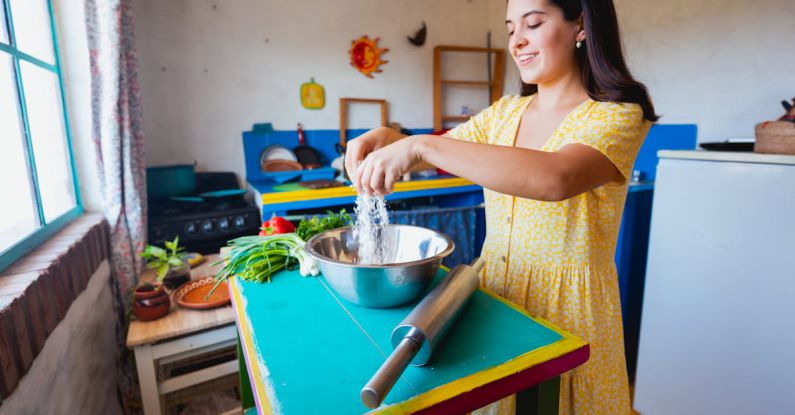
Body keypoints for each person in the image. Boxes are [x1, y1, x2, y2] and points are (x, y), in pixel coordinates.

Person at [345, 0, 657, 413]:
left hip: (568, 309)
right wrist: (393, 136)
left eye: (532, 23)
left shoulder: (616, 113)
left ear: (581, 25)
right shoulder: (505, 112)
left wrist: (420, 145)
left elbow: (555, 177)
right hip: (494, 292)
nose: (517, 41)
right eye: (511, 28)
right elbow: (444, 148)